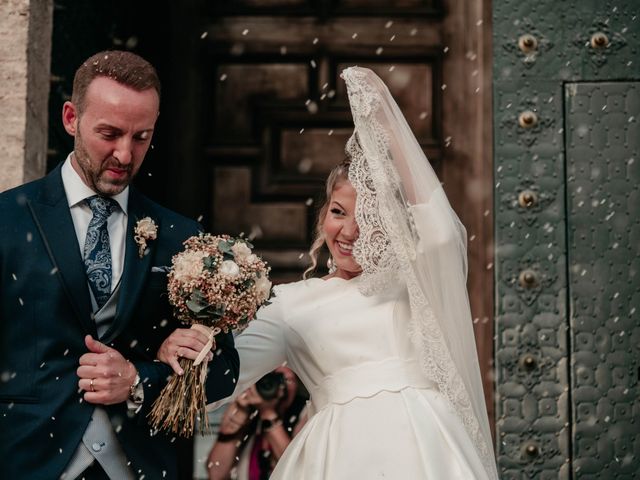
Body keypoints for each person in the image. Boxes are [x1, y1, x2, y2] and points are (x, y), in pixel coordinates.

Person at [161, 67, 499, 479]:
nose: (349, 231)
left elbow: (443, 233)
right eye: (338, 212)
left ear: (391, 223)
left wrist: (385, 122)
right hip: (337, 453)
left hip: (422, 443)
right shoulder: (289, 304)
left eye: (369, 217)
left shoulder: (412, 279)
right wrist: (188, 346)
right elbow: (222, 378)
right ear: (323, 213)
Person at [0, 50, 239, 479]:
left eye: (141, 137)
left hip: (142, 465)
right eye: (109, 133)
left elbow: (222, 372)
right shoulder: (6, 221)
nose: (125, 156)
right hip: (25, 461)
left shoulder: (180, 237)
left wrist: (138, 380)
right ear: (71, 118)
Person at [207, 367, 308, 480]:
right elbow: (216, 473)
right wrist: (240, 412)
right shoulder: (249, 409)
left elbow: (297, 471)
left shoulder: (307, 414)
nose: (278, 386)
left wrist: (268, 413)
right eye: (271, 378)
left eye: (286, 379)